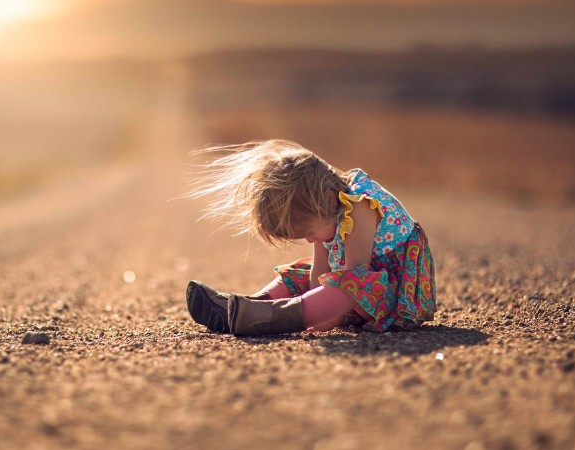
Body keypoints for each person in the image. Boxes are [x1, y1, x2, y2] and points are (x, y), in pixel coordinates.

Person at [185, 139, 436, 335]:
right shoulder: (327, 210)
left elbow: (356, 274)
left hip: (394, 290)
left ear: (325, 200)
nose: (309, 240)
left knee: (352, 284)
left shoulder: (361, 206)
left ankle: (269, 317)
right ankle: (250, 306)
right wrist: (315, 297)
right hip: (363, 285)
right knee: (299, 274)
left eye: (308, 233)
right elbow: (320, 270)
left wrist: (328, 318)